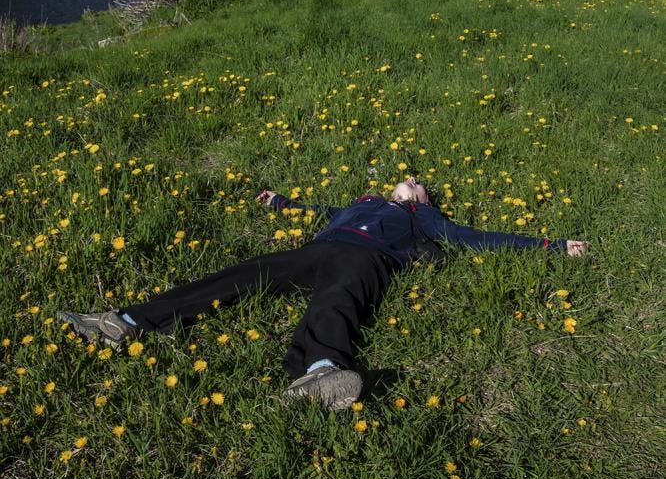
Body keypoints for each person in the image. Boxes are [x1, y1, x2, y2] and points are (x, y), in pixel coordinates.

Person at [58, 178, 589, 410]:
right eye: (405, 183)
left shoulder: (423, 218)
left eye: (417, 184)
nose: (409, 183)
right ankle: (124, 321)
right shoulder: (356, 206)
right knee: (238, 274)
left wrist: (552, 243)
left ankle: (321, 372)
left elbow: (476, 239)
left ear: (423, 200)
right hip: (324, 245)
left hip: (366, 260)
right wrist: (282, 203)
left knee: (336, 300)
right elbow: (317, 213)